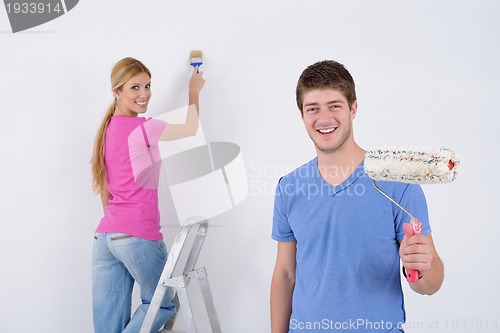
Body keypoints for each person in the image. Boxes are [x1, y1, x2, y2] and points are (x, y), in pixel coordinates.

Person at [270, 60, 444, 333]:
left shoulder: (397, 184)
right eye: (313, 108)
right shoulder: (289, 187)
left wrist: (421, 268)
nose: (324, 118)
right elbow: (285, 273)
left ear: (353, 109)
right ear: (302, 115)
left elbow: (430, 282)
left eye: (335, 106)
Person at [90, 57, 205, 333]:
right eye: (135, 88)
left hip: (105, 238)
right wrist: (193, 91)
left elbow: (105, 189)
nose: (144, 95)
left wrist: (118, 224)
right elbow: (190, 128)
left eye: (147, 86)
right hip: (137, 235)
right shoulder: (145, 127)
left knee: (108, 326)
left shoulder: (106, 130)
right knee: (162, 305)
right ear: (117, 92)